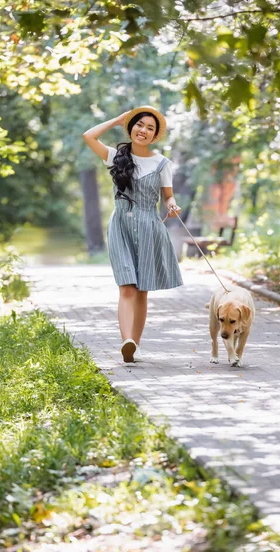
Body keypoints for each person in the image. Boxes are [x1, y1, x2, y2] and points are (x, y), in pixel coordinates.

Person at [83, 105, 183, 363]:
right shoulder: (116, 156)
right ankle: (127, 340)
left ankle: (133, 345)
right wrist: (116, 120)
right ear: (131, 127)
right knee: (127, 286)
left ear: (154, 135)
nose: (144, 131)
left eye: (150, 128)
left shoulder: (162, 163)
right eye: (140, 125)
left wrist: (171, 205)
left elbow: (168, 196)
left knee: (142, 290)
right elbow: (88, 136)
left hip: (150, 226)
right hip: (120, 226)